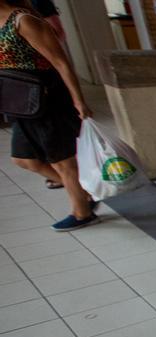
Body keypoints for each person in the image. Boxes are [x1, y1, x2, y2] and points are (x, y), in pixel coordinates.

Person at [0, 1, 95, 231]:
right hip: (20, 102)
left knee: (61, 160)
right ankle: (85, 193)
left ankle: (82, 212)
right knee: (24, 159)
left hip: (47, 99)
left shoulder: (23, 20)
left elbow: (61, 63)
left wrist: (78, 100)